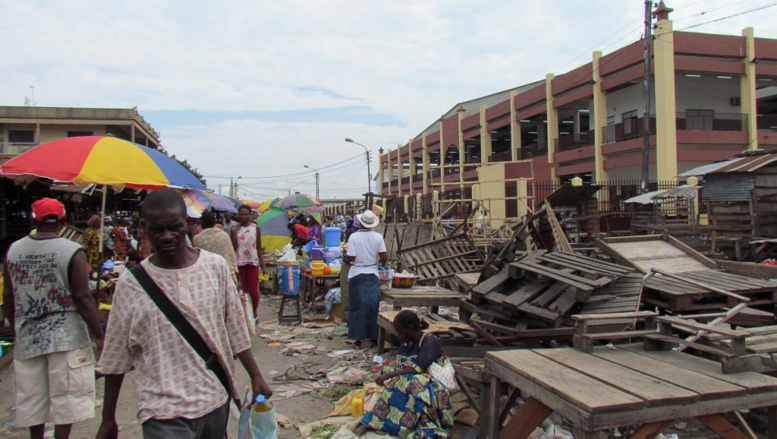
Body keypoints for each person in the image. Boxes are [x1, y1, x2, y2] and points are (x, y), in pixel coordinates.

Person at [95, 190, 272, 439]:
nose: (166, 236)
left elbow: (236, 329)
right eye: (157, 229)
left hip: (214, 397)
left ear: (187, 225)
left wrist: (256, 375)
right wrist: (107, 419)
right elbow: (115, 355)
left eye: (174, 227)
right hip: (162, 411)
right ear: (143, 228)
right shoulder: (130, 284)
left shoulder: (214, 267)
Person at [3, 198, 105, 439]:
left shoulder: (14, 250)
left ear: (35, 220)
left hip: (29, 337)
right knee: (67, 398)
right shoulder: (72, 250)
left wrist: (16, 328)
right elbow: (82, 297)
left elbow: (9, 294)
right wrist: (99, 334)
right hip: (66, 338)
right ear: (63, 219)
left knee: (32, 397)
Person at [353, 310, 454, 438]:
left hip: (433, 386)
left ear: (410, 328)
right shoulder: (406, 343)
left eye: (401, 332)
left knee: (410, 385)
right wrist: (388, 375)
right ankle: (374, 421)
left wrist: (388, 376)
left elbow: (418, 369)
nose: (400, 336)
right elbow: (401, 368)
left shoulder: (429, 340)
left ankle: (410, 425)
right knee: (394, 387)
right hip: (408, 383)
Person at [345, 210, 386, 349]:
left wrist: (345, 256)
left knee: (357, 306)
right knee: (372, 306)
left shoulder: (354, 237)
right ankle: (374, 337)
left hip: (356, 273)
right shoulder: (378, 237)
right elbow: (383, 255)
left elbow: (352, 257)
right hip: (373, 273)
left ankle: (358, 339)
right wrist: (381, 264)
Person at [231, 205, 267, 316]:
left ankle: (255, 311)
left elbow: (259, 247)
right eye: (241, 214)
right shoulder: (234, 229)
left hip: (253, 262)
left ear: (250, 215)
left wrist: (263, 265)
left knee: (254, 293)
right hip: (239, 263)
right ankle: (245, 315)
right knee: (243, 292)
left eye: (246, 214)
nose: (243, 217)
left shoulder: (255, 228)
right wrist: (234, 234)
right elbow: (233, 247)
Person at [193, 210, 239, 287]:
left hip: (208, 276)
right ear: (214, 223)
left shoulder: (197, 239)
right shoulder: (224, 235)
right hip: (226, 272)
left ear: (201, 224)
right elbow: (231, 255)